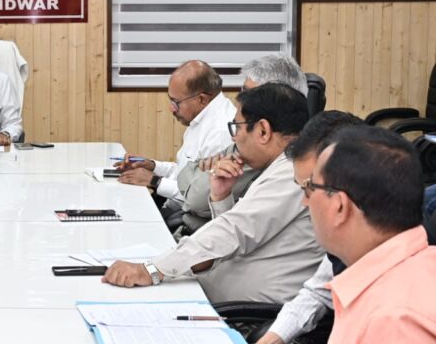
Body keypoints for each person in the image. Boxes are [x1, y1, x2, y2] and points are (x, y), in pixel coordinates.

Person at [241, 126, 436, 344]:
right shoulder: (391, 271)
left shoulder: (397, 315)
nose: (304, 202)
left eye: (310, 189)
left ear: (340, 206)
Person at [104, 83, 323, 304]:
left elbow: (234, 230)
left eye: (237, 128)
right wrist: (222, 196)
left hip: (245, 313)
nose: (234, 138)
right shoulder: (280, 166)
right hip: (217, 295)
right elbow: (238, 235)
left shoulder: (291, 173)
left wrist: (152, 269)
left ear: (263, 131)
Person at [242, 111, 363, 344]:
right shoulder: (346, 237)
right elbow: (318, 292)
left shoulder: (398, 258)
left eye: (309, 189)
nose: (305, 203)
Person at [177, 54, 310, 232]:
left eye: (251, 94)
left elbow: (196, 200)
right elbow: (187, 171)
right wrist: (219, 194)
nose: (242, 99)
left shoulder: (279, 168)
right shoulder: (252, 144)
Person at [116, 60, 234, 207]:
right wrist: (153, 166)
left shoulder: (220, 133)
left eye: (176, 102)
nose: (172, 109)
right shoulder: (202, 117)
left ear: (202, 99)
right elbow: (183, 173)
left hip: (186, 216)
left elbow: (201, 199)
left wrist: (154, 181)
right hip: (174, 208)